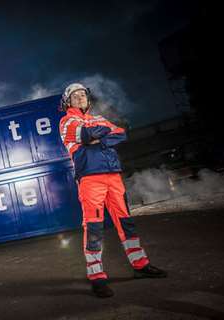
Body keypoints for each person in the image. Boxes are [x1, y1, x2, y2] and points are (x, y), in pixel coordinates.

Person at [58, 83, 167, 298]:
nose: (80, 97)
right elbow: (87, 135)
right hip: (90, 178)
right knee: (94, 227)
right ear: (67, 102)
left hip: (114, 175)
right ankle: (97, 277)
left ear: (88, 99)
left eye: (82, 94)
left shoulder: (99, 119)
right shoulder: (66, 121)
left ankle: (140, 265)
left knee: (126, 222)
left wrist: (98, 135)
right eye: (75, 95)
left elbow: (121, 134)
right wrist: (98, 135)